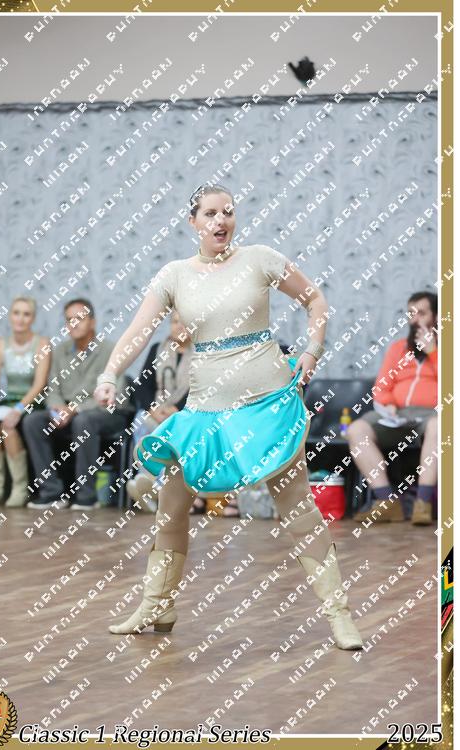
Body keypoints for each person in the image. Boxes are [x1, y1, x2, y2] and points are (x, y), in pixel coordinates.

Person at [94, 183, 363, 651]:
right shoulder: (175, 275)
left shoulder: (259, 258)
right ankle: (157, 605)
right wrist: (109, 373)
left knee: (298, 509)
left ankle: (339, 614)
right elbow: (139, 330)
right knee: (170, 509)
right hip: (204, 410)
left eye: (228, 212)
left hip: (266, 405)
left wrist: (312, 351)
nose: (221, 221)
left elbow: (316, 301)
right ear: (193, 221)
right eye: (211, 214)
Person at [23, 298, 129, 510]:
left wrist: (75, 409)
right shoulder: (59, 351)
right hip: (68, 413)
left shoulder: (111, 350)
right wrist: (57, 409)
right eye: (69, 319)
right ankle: (51, 492)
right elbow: (52, 389)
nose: (74, 324)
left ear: (93, 322)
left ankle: (86, 496)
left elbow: (116, 395)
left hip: (106, 412)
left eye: (79, 318)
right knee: (32, 421)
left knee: (84, 421)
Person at [348, 292, 438, 526]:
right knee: (356, 429)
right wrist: (388, 404)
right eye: (411, 314)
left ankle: (423, 503)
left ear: (437, 317)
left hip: (433, 414)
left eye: (422, 313)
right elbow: (382, 386)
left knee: (440, 426)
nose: (415, 319)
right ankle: (386, 501)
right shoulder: (399, 348)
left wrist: (434, 352)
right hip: (396, 415)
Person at [0, 296, 51, 507]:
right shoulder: (0, 344)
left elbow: (40, 384)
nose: (20, 318)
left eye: (26, 314)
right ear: (10, 316)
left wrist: (19, 409)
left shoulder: (42, 344)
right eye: (16, 313)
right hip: (8, 400)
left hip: (32, 402)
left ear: (33, 318)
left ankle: (19, 487)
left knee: (8, 427)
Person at [126, 310, 193, 512]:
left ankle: (157, 489)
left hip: (184, 412)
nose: (179, 326)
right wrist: (153, 409)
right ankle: (147, 480)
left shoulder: (202, 354)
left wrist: (176, 408)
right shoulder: (158, 349)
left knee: (180, 429)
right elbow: (142, 385)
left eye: (185, 322)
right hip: (156, 410)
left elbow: (203, 387)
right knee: (140, 420)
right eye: (175, 322)